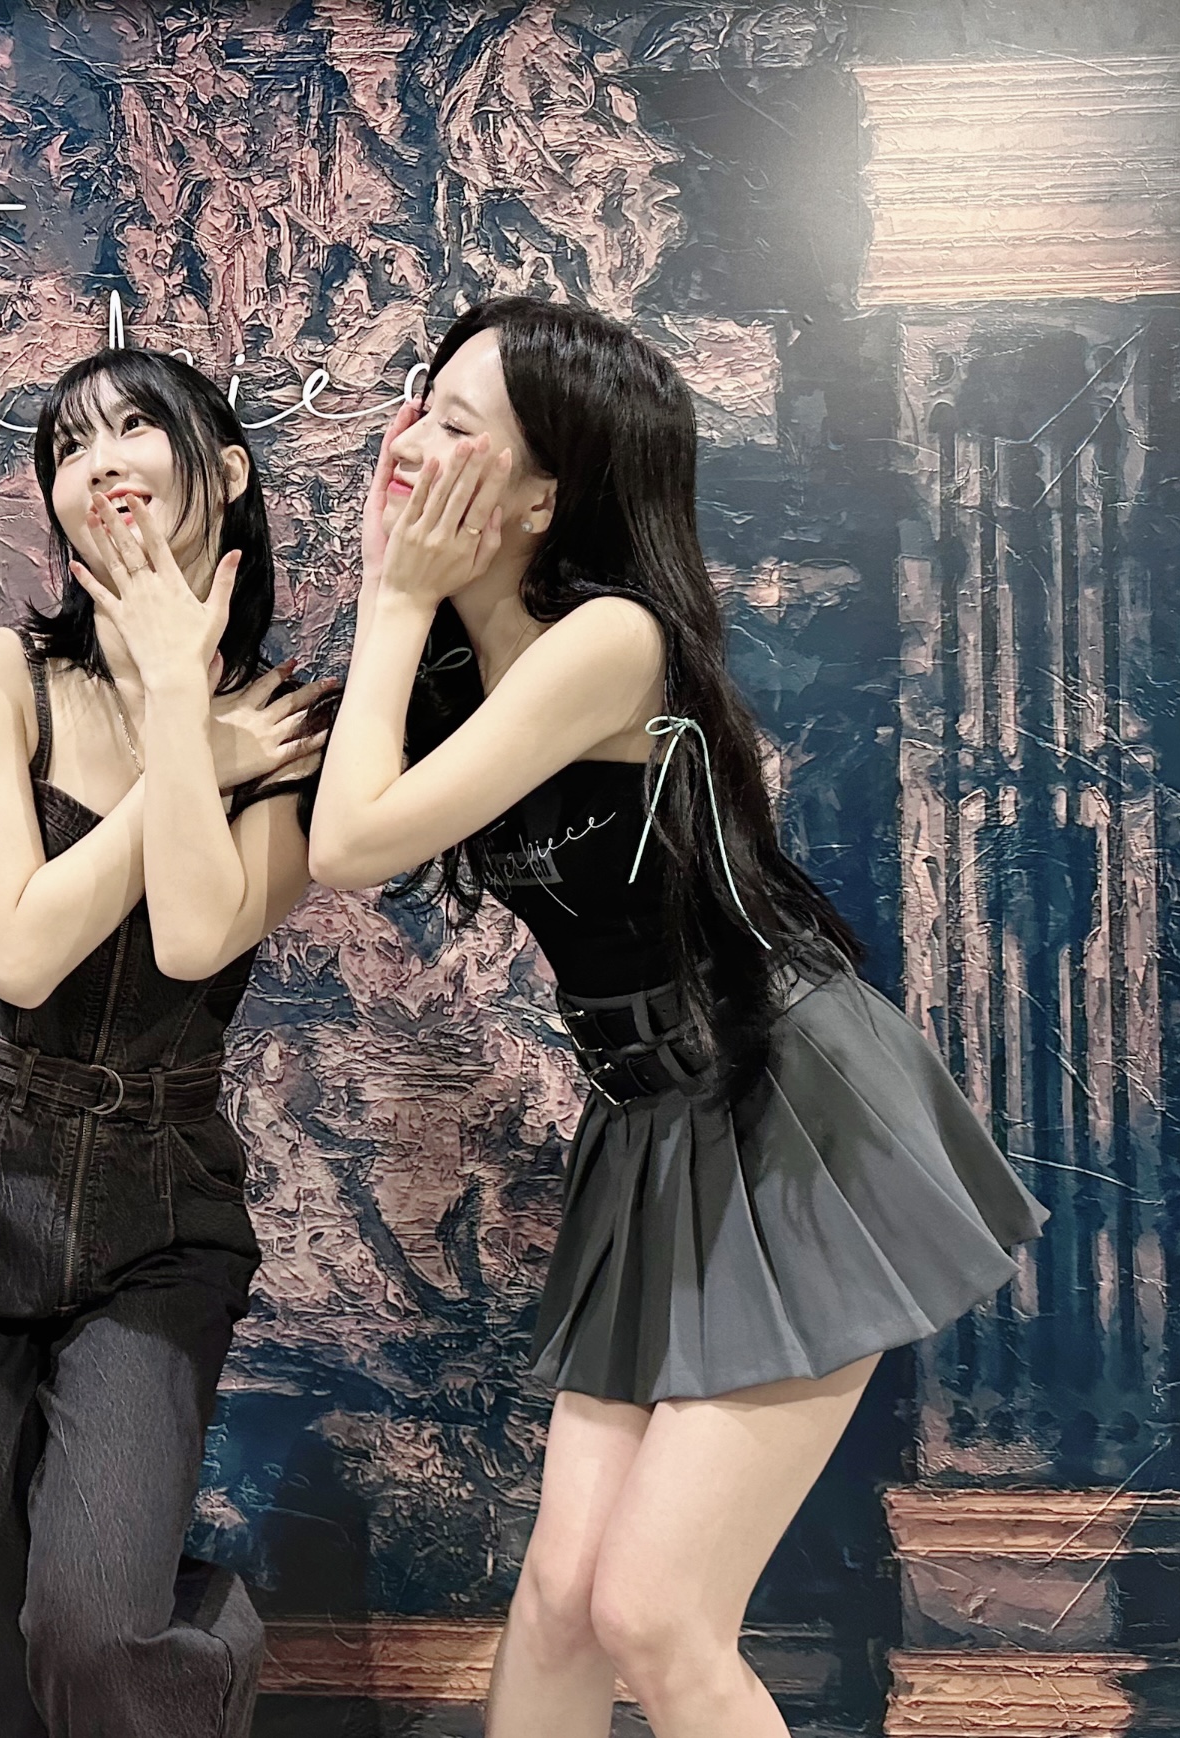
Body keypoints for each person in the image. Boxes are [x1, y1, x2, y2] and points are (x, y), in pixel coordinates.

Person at [308, 298, 1045, 1738]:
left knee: (653, 1612)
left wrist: (389, 600)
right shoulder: (451, 673)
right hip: (649, 1126)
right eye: (419, 402)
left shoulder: (610, 641)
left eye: (457, 424)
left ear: (543, 495)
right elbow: (324, 832)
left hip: (788, 1104)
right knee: (558, 1603)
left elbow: (350, 847)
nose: (409, 442)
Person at [0, 347, 332, 1738]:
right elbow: (16, 947)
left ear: (225, 472)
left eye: (134, 428)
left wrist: (183, 704)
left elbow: (195, 935)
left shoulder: (288, 725)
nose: (99, 460)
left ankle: (190, 1673)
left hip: (158, 1208)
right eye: (68, 446)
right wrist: (194, 766)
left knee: (98, 1635)